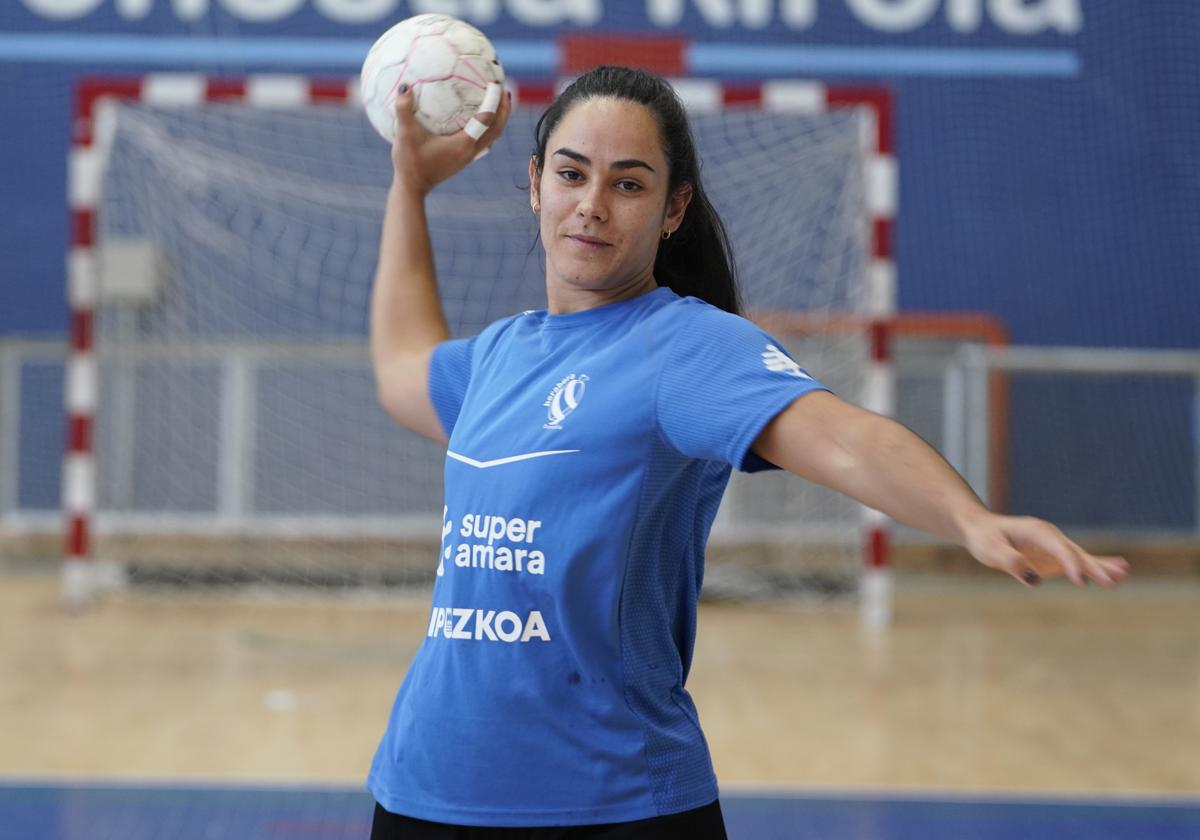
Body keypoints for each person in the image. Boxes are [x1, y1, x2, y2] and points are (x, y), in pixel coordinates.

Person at [365, 66, 1130, 839]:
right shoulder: (498, 357)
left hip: (610, 802)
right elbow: (401, 368)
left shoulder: (685, 349)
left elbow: (843, 437)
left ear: (674, 209)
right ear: (535, 185)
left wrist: (969, 518)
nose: (591, 206)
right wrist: (408, 190)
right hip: (420, 793)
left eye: (629, 185)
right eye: (571, 174)